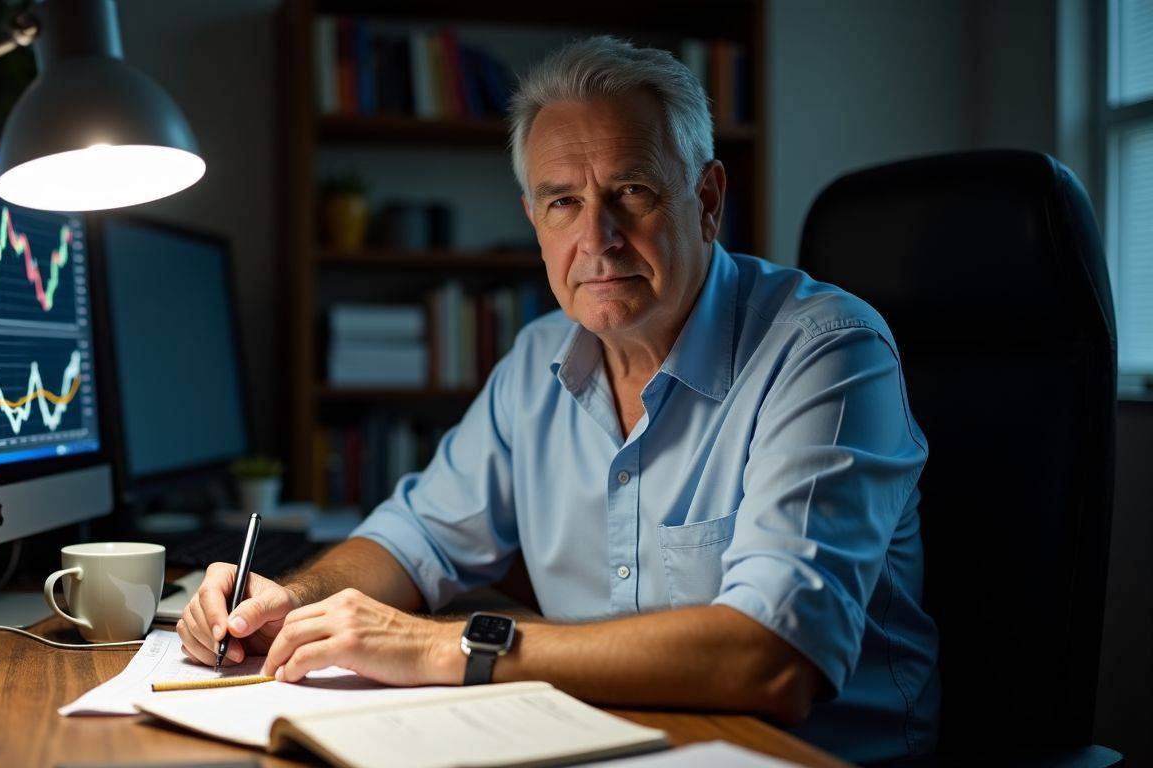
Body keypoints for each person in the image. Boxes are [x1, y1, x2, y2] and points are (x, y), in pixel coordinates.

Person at [179, 36, 939, 764]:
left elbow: (774, 658)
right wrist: (288, 599)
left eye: (631, 192)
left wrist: (446, 646)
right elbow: (415, 541)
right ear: (534, 222)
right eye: (563, 202)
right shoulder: (541, 357)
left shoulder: (828, 350)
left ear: (707, 200)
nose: (597, 238)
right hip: (598, 741)